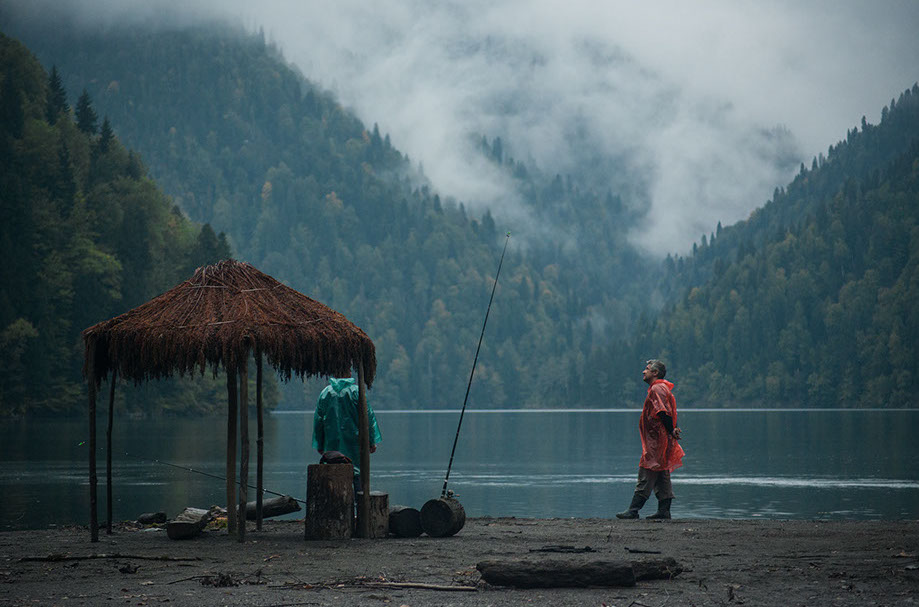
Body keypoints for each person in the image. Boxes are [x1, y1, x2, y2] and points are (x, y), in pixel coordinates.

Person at [616, 359, 684, 520]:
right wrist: (672, 429)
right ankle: (664, 510)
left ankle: (633, 510)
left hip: (657, 440)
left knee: (647, 469)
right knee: (661, 473)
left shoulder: (657, 389)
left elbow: (663, 412)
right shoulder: (662, 388)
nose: (643, 371)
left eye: (646, 369)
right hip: (660, 438)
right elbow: (669, 411)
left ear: (655, 373)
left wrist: (671, 430)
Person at [311, 377, 382, 496]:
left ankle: (335, 506)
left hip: (331, 444)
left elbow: (318, 421)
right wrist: (372, 441)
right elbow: (368, 418)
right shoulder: (356, 392)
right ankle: (359, 509)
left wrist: (319, 443)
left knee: (334, 474)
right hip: (355, 444)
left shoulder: (326, 393)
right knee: (357, 474)